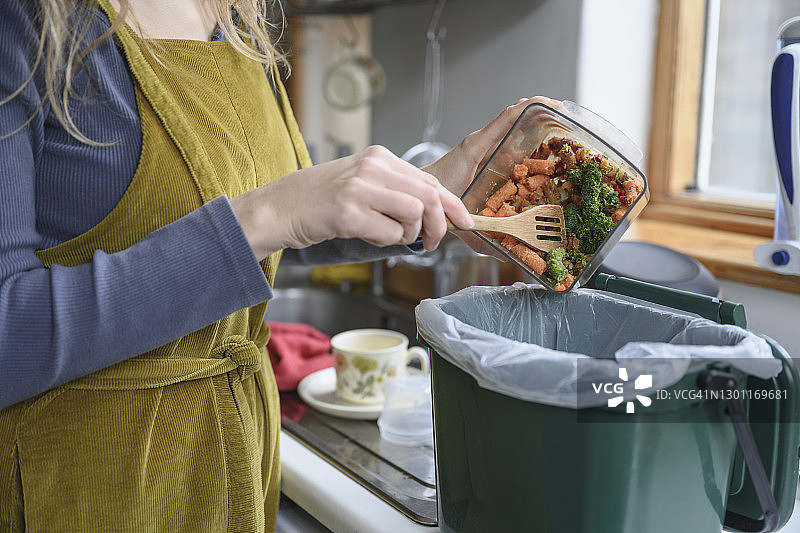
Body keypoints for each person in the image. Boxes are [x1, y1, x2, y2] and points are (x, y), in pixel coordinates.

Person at [0, 0, 552, 530]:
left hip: (233, 471)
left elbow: (277, 238)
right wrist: (266, 214)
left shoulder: (237, 13)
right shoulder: (24, 20)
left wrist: (441, 189)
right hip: (83, 486)